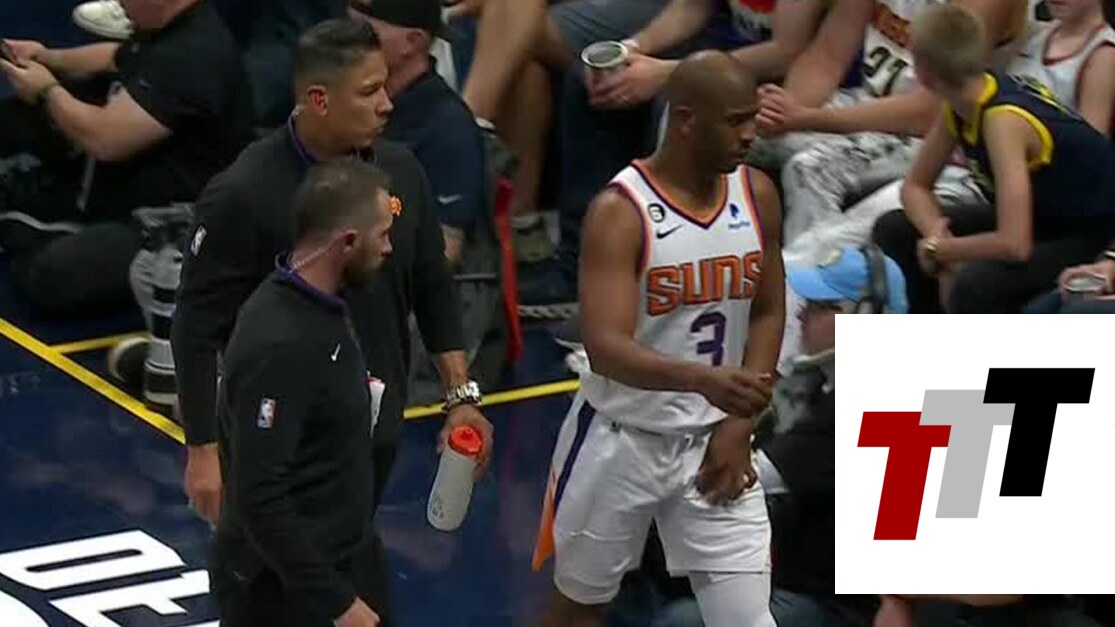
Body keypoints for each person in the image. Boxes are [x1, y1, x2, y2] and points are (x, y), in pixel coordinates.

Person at [172, 20, 494, 626]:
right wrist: (203, 452)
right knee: (280, 581)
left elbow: (432, 284)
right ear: (318, 99)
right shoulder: (244, 192)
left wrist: (460, 396)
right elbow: (194, 325)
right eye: (369, 91)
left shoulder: (401, 172)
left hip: (367, 444)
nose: (388, 103)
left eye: (385, 85)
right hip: (282, 446)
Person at [533, 50, 785, 627]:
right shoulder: (621, 211)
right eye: (735, 121)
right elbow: (605, 348)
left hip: (714, 440)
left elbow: (769, 310)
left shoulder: (757, 195)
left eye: (752, 118)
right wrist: (702, 380)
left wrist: (738, 423)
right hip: (621, 439)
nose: (750, 134)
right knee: (578, 611)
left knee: (748, 620)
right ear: (687, 120)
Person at [211, 161, 393, 627]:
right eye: (382, 235)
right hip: (286, 590)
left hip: (345, 554)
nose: (388, 248)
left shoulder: (322, 304)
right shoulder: (281, 344)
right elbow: (259, 494)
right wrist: (337, 602)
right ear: (347, 243)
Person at [0, 0, 252, 315]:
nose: (119, 2)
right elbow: (116, 56)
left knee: (53, 275)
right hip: (131, 187)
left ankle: (24, 224)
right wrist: (47, 57)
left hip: (176, 221)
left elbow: (105, 140)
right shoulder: (169, 26)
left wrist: (46, 91)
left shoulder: (192, 57)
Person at [872, 4, 1115, 313]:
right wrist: (936, 237)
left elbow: (1015, 244)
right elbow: (915, 187)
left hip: (1092, 234)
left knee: (976, 283)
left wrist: (946, 250)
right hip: (1043, 221)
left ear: (923, 74)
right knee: (895, 228)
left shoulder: (1003, 121)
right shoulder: (963, 102)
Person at [348, 0, 487, 265]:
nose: (347, 43)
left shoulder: (447, 128)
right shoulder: (345, 103)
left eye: (363, 31)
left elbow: (445, 251)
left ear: (411, 42)